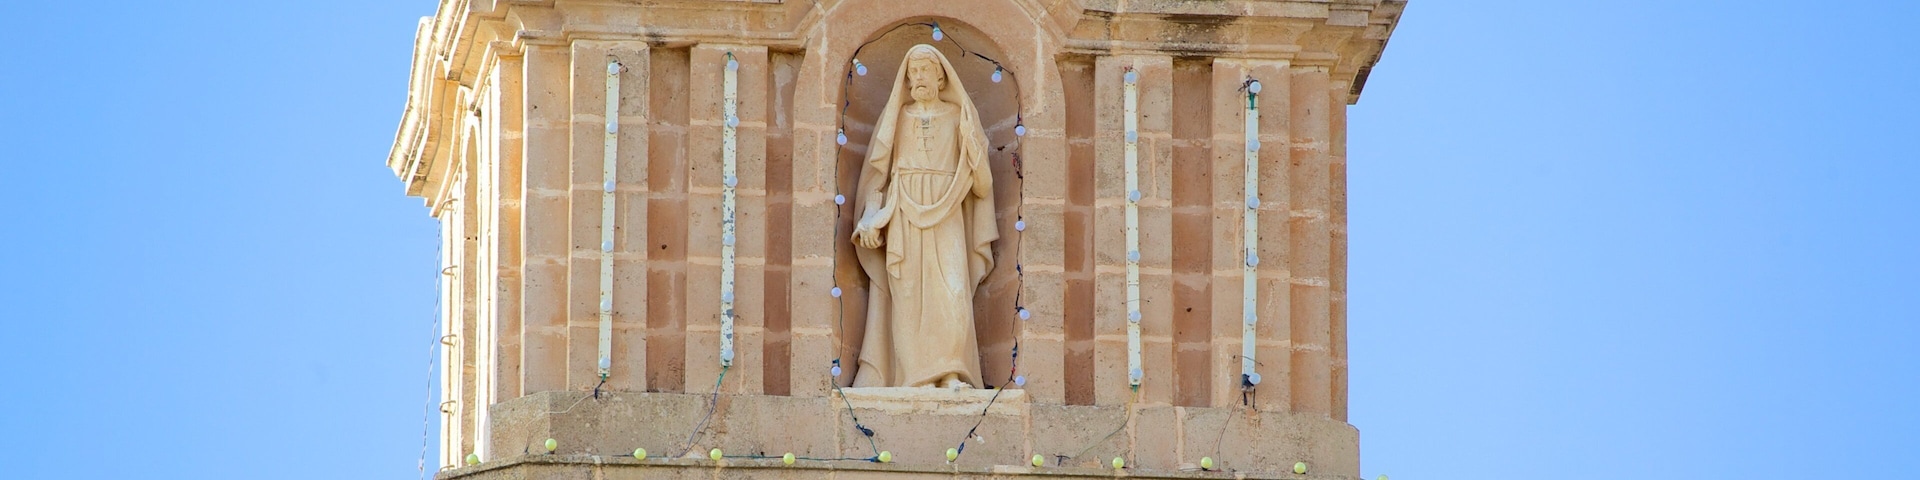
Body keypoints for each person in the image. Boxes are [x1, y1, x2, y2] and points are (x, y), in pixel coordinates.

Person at [850, 44, 998, 388]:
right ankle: (915, 378)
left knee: (953, 291)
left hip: (948, 212)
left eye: (924, 71)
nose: (918, 78)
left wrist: (972, 146)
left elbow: (982, 186)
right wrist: (871, 216)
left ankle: (951, 372)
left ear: (940, 77)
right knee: (908, 296)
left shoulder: (957, 117)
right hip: (903, 214)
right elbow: (877, 178)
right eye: (913, 72)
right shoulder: (898, 117)